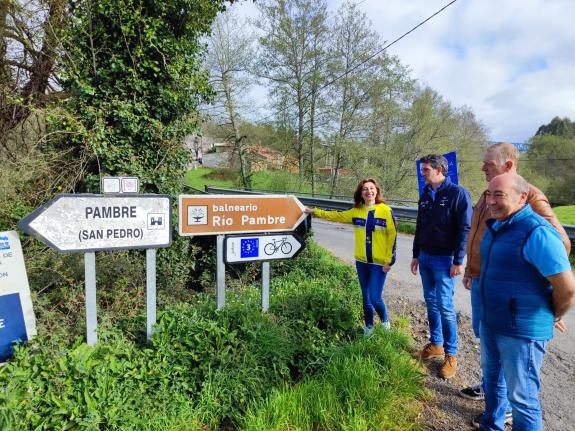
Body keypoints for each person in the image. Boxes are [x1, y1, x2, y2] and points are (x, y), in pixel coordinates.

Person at [460, 143, 571, 427]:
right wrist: (472, 269)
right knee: (493, 376)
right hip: (491, 306)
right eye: (490, 195)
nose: (483, 168)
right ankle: (492, 421)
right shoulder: (494, 207)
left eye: (488, 163)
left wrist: (550, 309)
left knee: (522, 395)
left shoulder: (532, 205)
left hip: (519, 321)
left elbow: (560, 253)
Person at [306, 178, 397, 335]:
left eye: (371, 188)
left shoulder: (386, 211)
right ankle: (368, 327)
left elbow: (392, 236)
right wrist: (314, 212)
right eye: (365, 189)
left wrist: (390, 261)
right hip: (361, 262)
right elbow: (335, 216)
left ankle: (385, 321)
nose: (369, 191)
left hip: (378, 263)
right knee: (366, 297)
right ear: (361, 193)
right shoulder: (356, 211)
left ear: (377, 191)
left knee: (375, 297)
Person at [411, 154, 472, 379]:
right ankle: (436, 344)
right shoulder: (425, 194)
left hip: (445, 260)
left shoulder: (458, 194)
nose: (422, 173)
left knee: (445, 306)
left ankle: (451, 354)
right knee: (431, 302)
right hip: (425, 257)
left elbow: (464, 228)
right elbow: (420, 226)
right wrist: (416, 254)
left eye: (425, 169)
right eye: (422, 169)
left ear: (439, 170)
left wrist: (458, 260)